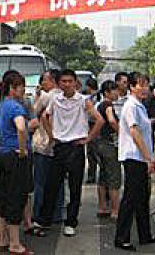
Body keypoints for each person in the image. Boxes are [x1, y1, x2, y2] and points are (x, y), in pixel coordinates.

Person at [40, 68, 104, 237]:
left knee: (75, 188)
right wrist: (51, 136)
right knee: (51, 185)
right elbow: (44, 117)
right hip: (59, 146)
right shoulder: (54, 99)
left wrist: (88, 139)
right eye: (63, 81)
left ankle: (71, 222)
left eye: (70, 81)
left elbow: (99, 120)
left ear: (76, 83)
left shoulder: (83, 101)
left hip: (76, 147)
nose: (67, 84)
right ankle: (44, 220)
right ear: (59, 83)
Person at [114, 73, 155, 251]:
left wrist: (149, 157)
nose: (144, 89)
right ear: (132, 87)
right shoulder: (131, 106)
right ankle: (121, 237)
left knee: (142, 198)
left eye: (146, 85)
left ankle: (145, 234)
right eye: (140, 85)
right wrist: (148, 157)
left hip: (140, 157)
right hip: (134, 157)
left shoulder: (140, 106)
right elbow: (134, 132)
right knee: (131, 198)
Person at [0, 70, 33, 255]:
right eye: (21, 87)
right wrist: (23, 149)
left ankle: (3, 238)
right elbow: (21, 127)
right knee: (16, 197)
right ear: (12, 88)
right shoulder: (16, 107)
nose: (23, 91)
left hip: (2, 154)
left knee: (3, 196)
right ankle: (15, 244)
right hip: (15, 156)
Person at [31, 69, 64, 234]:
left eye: (44, 80)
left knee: (41, 183)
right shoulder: (65, 97)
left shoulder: (47, 96)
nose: (42, 84)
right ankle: (56, 214)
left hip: (44, 144)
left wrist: (37, 96)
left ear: (52, 80)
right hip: (60, 145)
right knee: (58, 183)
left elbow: (34, 111)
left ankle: (38, 214)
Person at [93, 80, 121, 219]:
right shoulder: (108, 105)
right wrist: (121, 132)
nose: (117, 93)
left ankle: (102, 207)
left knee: (103, 176)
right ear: (107, 93)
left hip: (99, 144)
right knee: (114, 177)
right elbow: (111, 120)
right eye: (114, 90)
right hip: (109, 144)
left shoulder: (99, 106)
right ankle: (115, 210)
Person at [84, 78, 100, 184]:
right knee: (94, 152)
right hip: (96, 126)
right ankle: (93, 175)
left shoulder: (91, 98)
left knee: (92, 152)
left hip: (93, 125)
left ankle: (92, 175)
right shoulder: (98, 96)